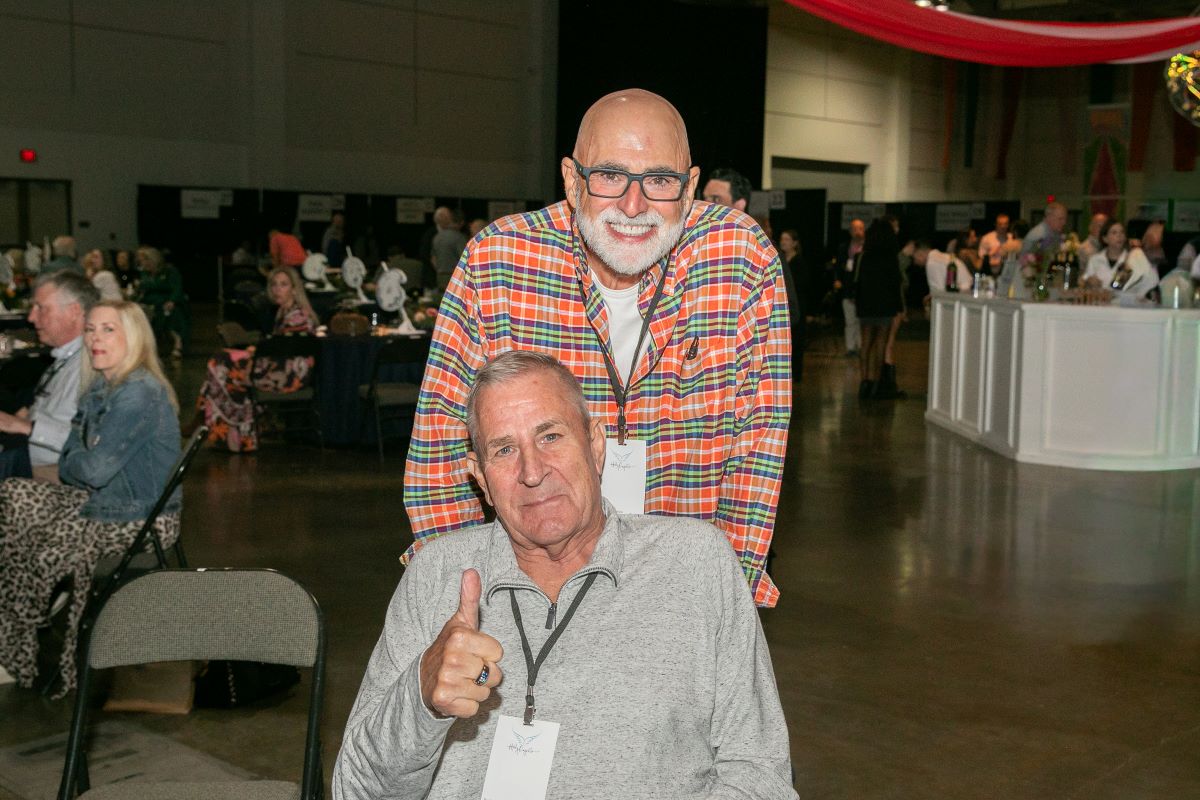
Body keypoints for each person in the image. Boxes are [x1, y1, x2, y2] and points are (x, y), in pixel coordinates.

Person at [334, 351, 796, 800]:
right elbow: (355, 789)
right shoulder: (436, 574)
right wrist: (420, 698)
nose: (532, 472)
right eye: (504, 450)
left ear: (595, 446)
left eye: (550, 436)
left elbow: (760, 775)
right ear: (481, 478)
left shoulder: (695, 562)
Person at [403, 89, 791, 608]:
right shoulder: (498, 262)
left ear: (689, 187)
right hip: (533, 588)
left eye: (659, 180)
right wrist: (468, 607)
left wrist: (722, 605)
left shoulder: (739, 258)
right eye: (609, 176)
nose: (633, 206)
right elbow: (443, 450)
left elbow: (758, 445)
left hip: (681, 588)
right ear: (572, 179)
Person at [0, 300, 181, 696]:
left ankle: (17, 650)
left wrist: (76, 458)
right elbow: (76, 462)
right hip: (102, 503)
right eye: (91, 329)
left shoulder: (139, 394)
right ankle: (15, 641)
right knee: (12, 494)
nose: (95, 339)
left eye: (108, 330)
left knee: (32, 543)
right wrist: (78, 458)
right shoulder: (100, 385)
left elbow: (89, 469)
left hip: (136, 518)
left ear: (133, 338)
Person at [187, 266, 317, 451]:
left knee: (221, 365)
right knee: (222, 365)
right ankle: (228, 432)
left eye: (283, 285)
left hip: (289, 375)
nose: (277, 289)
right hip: (276, 366)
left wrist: (255, 354)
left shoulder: (298, 316)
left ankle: (212, 423)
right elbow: (276, 347)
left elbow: (286, 351)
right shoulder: (283, 311)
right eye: (274, 285)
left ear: (294, 289)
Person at [0, 272, 99, 481]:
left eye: (41, 308)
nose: (31, 318)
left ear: (73, 311)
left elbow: (92, 445)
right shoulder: (66, 358)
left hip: (49, 475)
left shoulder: (92, 367)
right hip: (25, 457)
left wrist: (23, 426)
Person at [855, 219, 903, 400]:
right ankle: (875, 383)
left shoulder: (864, 256)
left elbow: (858, 282)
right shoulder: (891, 257)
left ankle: (864, 381)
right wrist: (899, 307)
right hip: (885, 304)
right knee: (881, 343)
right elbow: (896, 283)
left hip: (866, 304)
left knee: (866, 343)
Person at [1083, 220, 1159, 298]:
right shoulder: (1095, 260)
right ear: (1105, 239)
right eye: (1114, 233)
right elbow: (1085, 283)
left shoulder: (1133, 258)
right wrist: (1089, 283)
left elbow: (1117, 286)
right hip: (1101, 303)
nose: (1119, 236)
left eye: (1122, 232)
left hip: (1127, 303)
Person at [135, 246, 187, 359]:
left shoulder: (170, 271)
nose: (143, 263)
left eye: (145, 260)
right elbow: (143, 290)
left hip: (167, 300)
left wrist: (172, 300)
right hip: (149, 302)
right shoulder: (144, 274)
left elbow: (177, 288)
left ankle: (178, 343)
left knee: (171, 312)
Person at [430, 206, 467, 291]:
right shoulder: (459, 237)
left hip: (440, 276)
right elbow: (464, 258)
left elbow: (433, 259)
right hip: (456, 276)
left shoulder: (437, 237)